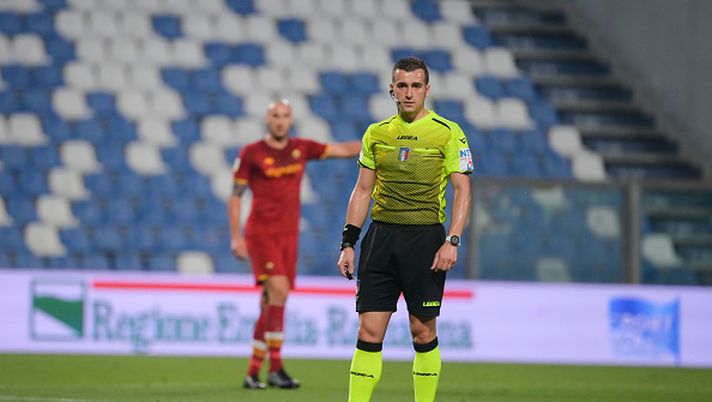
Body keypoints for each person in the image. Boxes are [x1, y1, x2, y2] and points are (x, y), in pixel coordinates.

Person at [336, 56, 473, 402]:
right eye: (402, 86)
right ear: (391, 89)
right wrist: (349, 242)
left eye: (416, 86)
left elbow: (463, 191)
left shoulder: (447, 132)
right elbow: (362, 190)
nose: (409, 93)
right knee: (368, 330)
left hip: (425, 241)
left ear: (427, 89)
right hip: (380, 239)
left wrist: (452, 240)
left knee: (422, 332)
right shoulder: (377, 133)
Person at [229, 99, 361, 390]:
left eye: (285, 116)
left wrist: (376, 142)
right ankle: (275, 369)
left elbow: (340, 150)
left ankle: (254, 372)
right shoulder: (251, 153)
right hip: (261, 234)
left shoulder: (301, 148)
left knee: (274, 301)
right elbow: (236, 194)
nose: (280, 120)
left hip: (289, 236)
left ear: (290, 120)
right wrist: (236, 236)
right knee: (279, 290)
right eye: (275, 115)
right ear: (267, 120)